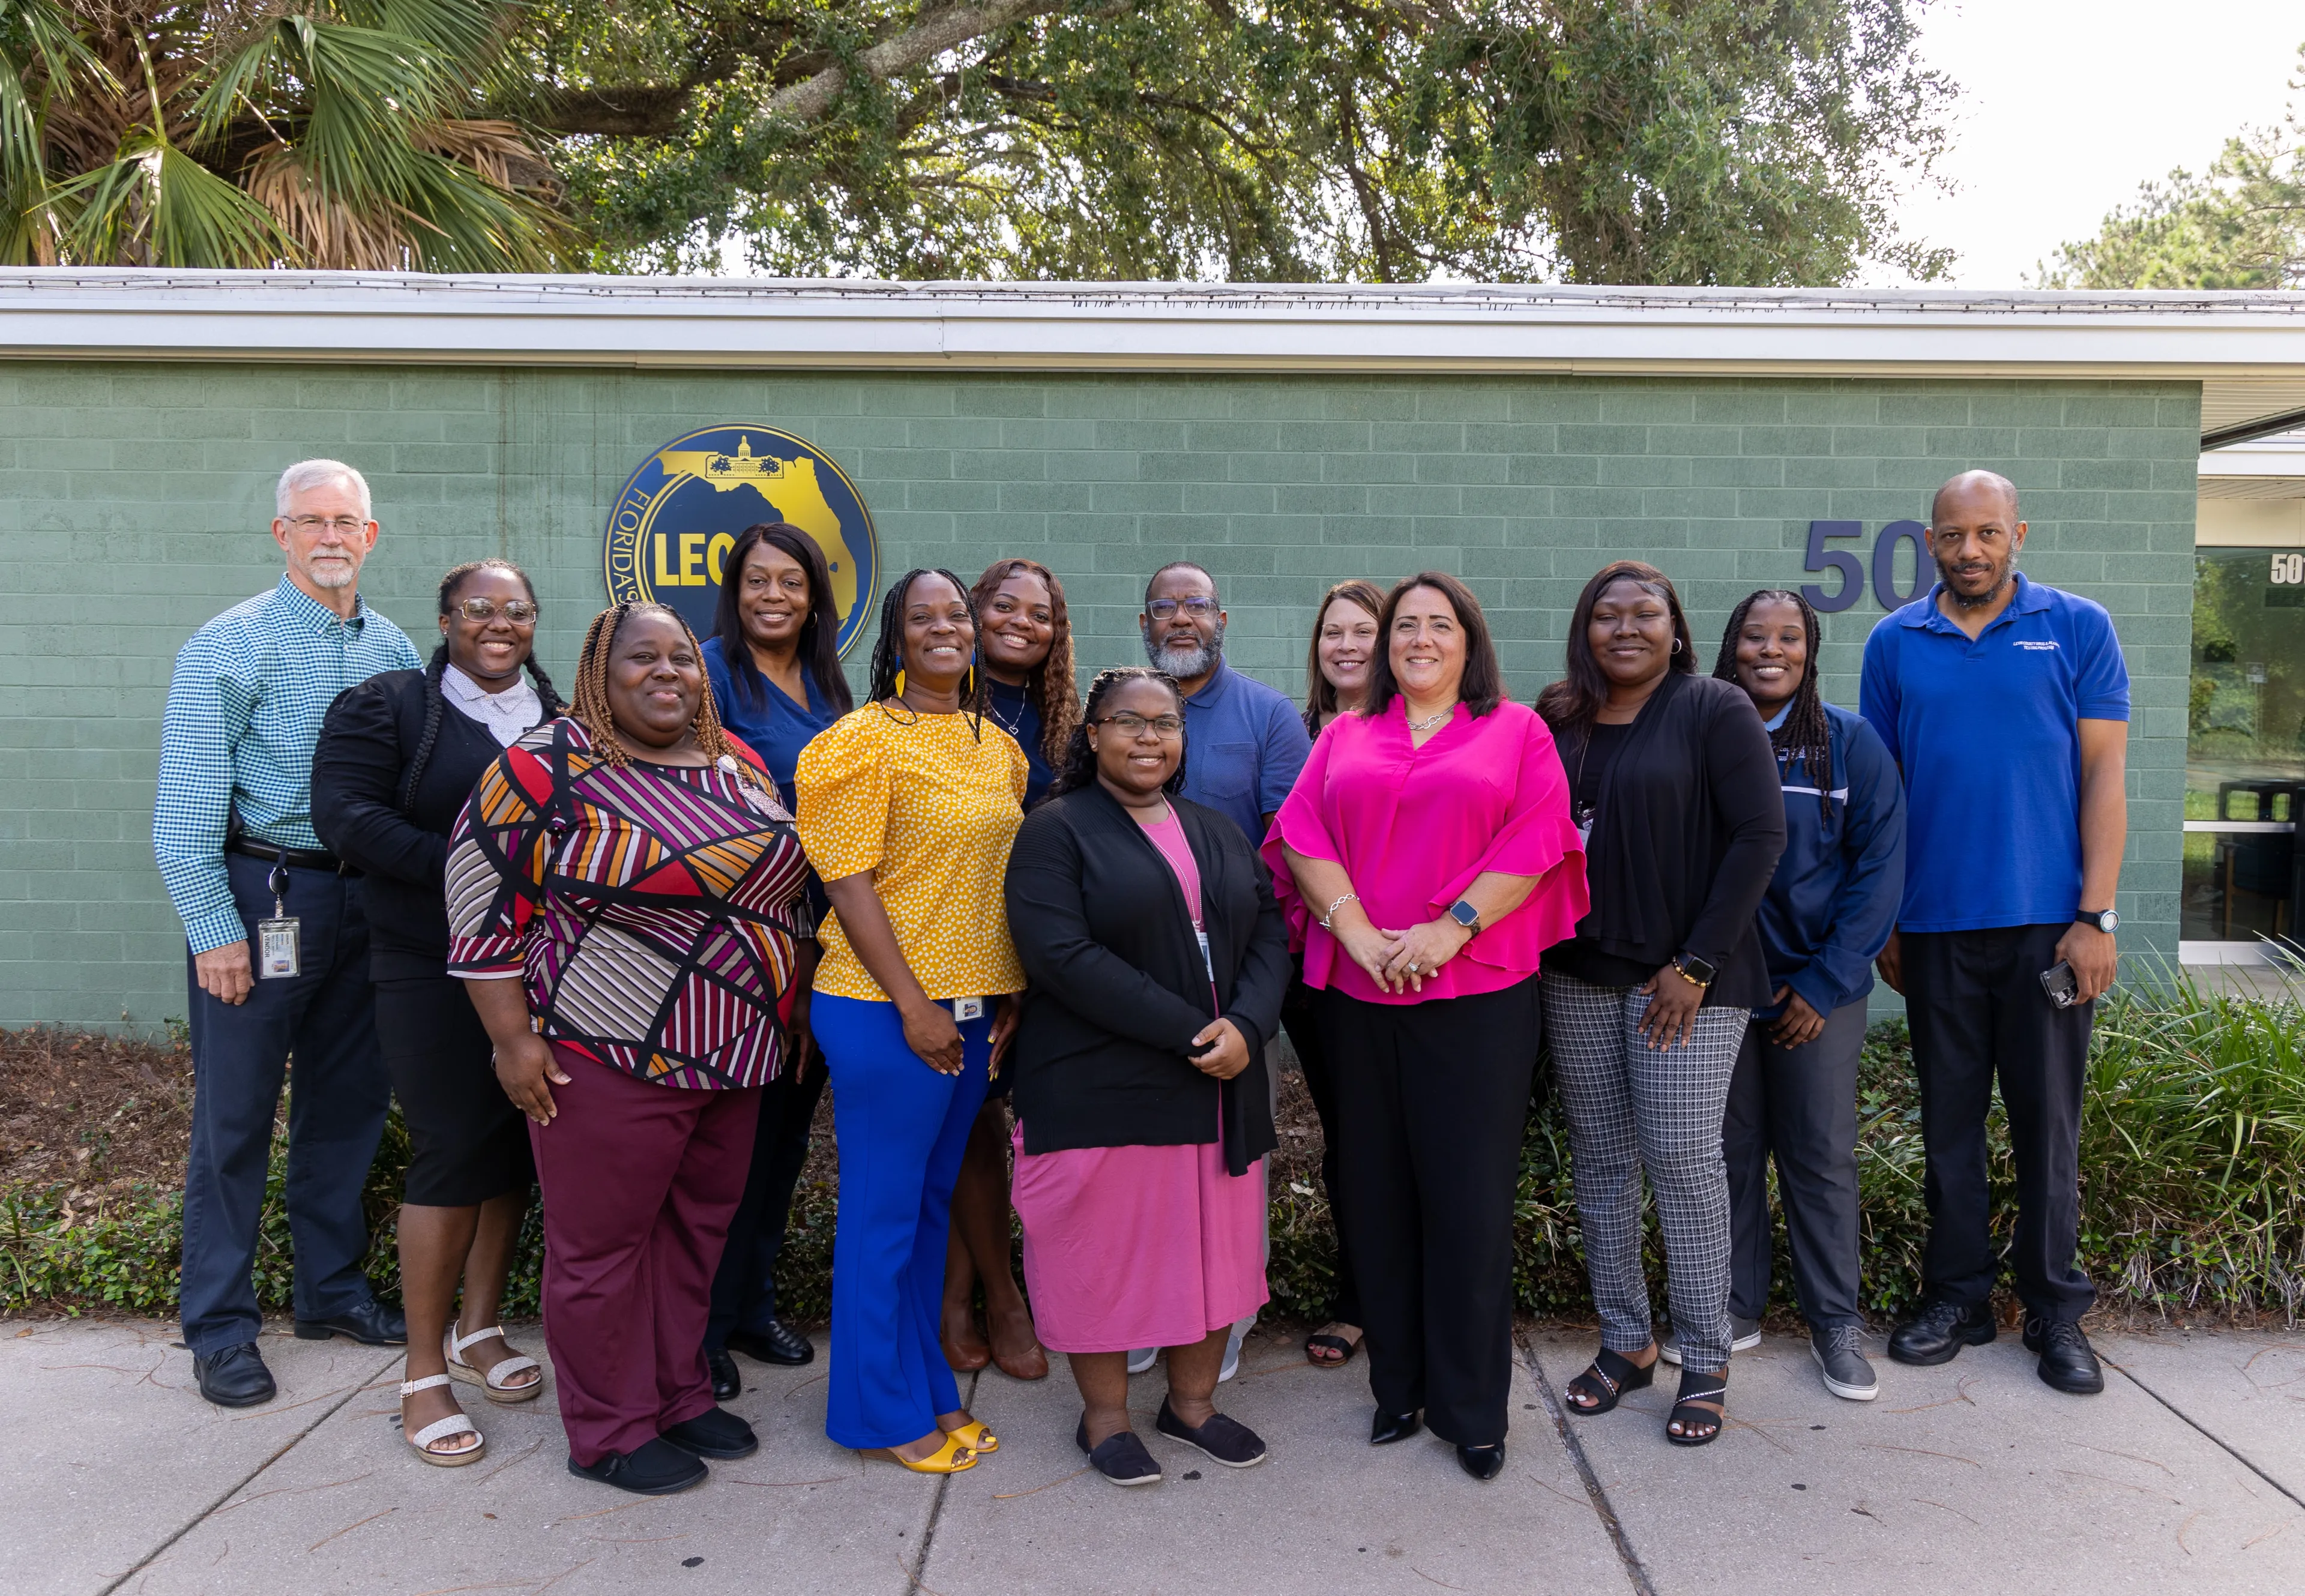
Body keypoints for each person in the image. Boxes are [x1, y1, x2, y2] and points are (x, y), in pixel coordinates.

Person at [447, 603, 813, 1496]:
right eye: (641, 658)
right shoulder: (549, 765)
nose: (667, 673)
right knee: (603, 1247)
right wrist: (510, 1040)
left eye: (682, 658)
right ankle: (607, 1428)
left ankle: (678, 1393)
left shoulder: (741, 764)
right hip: (608, 1049)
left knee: (695, 1234)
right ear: (598, 676)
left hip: (735, 1052)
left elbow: (787, 895)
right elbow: (476, 897)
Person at [1270, 572, 1587, 1481]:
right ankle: (1398, 1390)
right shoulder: (1344, 732)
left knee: (1468, 1205)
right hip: (1362, 996)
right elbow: (1303, 835)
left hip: (1477, 998)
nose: (1417, 638)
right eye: (1403, 625)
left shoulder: (1515, 730)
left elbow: (1538, 838)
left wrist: (1451, 926)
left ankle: (1473, 1406)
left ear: (1468, 641)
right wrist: (1360, 934)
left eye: (1437, 625)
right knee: (1376, 1194)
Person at [153, 459, 417, 1409]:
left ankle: (330, 1292)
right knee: (233, 1121)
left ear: (371, 535)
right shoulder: (229, 645)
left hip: (363, 905)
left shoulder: (393, 648)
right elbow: (183, 809)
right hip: (262, 899)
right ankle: (220, 1328)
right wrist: (212, 929)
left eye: (347, 519)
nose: (331, 535)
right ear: (282, 534)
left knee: (346, 1109)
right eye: (311, 520)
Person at [1863, 471, 2130, 1397]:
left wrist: (2095, 915)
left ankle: (2056, 1311)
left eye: (1987, 532)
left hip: (2049, 934)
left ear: (2019, 531)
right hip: (1934, 928)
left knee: (2048, 1128)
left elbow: (2105, 776)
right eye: (1951, 535)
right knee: (1950, 1128)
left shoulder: (2079, 627)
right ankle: (1958, 1297)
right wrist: (1887, 918)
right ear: (1929, 541)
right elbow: (1884, 794)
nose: (1969, 550)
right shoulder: (1895, 641)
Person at [1005, 667, 1291, 1486]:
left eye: (1163, 723)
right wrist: (1192, 1029)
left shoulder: (1216, 829)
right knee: (1101, 1256)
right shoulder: (1055, 831)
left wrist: (1247, 1023)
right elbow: (1060, 954)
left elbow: (1270, 931)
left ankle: (1191, 1405)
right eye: (1126, 721)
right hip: (1101, 1085)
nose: (1146, 736)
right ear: (1092, 735)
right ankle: (1103, 1419)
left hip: (1216, 1081)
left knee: (1214, 1254)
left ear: (1181, 739)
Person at [312, 560, 561, 1465]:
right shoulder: (389, 708)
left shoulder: (558, 718)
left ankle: (481, 1328)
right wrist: (475, 870)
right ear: (448, 616)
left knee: (512, 1148)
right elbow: (345, 818)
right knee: (453, 1145)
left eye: (518, 611)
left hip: (537, 969)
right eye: (480, 609)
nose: (500, 623)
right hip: (427, 964)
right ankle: (423, 1373)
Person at [1535, 561, 1784, 1448]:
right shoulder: (1556, 715)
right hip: (1577, 972)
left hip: (1684, 981)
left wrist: (1698, 963)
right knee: (1602, 1164)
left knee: (1681, 1163)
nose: (1627, 627)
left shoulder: (1714, 707)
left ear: (1676, 627)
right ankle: (1627, 1341)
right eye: (1608, 614)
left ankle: (1706, 1358)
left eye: (1647, 613)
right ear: (1585, 627)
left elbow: (1762, 835)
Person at [794, 568, 1026, 1474]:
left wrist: (1007, 989)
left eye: (957, 614)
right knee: (884, 1215)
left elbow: (990, 885)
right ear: (893, 637)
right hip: (884, 1008)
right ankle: (874, 1410)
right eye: (922, 616)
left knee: (931, 1211)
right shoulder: (856, 742)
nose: (946, 628)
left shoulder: (994, 746)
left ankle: (927, 1384)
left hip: (971, 1014)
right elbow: (847, 881)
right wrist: (915, 1003)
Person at [1705, 589, 1905, 1404]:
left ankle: (1834, 1321)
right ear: (1732, 645)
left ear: (1811, 649)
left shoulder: (1850, 745)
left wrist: (1824, 982)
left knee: (1819, 1154)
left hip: (1817, 987)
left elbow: (1880, 872)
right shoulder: (1704, 736)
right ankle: (1736, 1304)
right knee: (1729, 1151)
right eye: (1755, 636)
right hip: (1721, 986)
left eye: (1789, 637)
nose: (1771, 649)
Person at [1137, 559, 1311, 1379]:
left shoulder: (1270, 718)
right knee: (1147, 1154)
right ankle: (1148, 1308)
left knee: (1235, 1152)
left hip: (1236, 972)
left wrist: (1254, 983)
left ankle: (1229, 1310)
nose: (1180, 618)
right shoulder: (1123, 708)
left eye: (1195, 605)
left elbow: (1287, 853)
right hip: (1135, 971)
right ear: (1145, 622)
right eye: (1164, 606)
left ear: (1223, 618)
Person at [696, 523, 857, 1399]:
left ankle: (752, 1305)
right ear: (735, 588)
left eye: (791, 583)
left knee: (785, 1138)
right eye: (758, 580)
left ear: (813, 595)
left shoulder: (831, 682)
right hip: (745, 939)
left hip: (825, 940)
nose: (774, 596)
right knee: (734, 1143)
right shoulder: (712, 672)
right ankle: (706, 1328)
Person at [938, 558, 1078, 1382]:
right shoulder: (936, 707)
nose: (1024, 622)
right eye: (1005, 606)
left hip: (1046, 953)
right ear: (973, 612)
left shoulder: (1062, 719)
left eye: (1043, 612)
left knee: (1017, 1128)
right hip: (958, 946)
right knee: (969, 1122)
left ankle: (983, 1294)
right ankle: (991, 1295)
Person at [1283, 579, 1386, 1370]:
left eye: (1363, 631)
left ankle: (1398, 1291)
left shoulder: (1415, 727)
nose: (1346, 645)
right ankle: (1359, 1298)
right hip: (1312, 969)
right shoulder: (1297, 729)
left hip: (1401, 962)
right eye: (1333, 634)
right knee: (1349, 1132)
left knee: (1402, 1131)